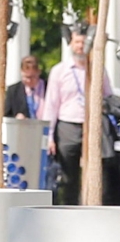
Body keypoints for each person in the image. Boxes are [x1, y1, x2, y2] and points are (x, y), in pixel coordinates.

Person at [45, 25, 112, 206]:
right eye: (76, 42)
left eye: (83, 42)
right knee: (68, 174)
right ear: (70, 44)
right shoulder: (59, 71)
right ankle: (69, 207)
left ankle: (93, 205)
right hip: (68, 125)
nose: (80, 46)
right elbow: (52, 104)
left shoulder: (98, 69)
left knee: (96, 171)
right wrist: (49, 135)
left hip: (92, 125)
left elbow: (108, 96)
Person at [5, 54, 45, 119]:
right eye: (26, 77)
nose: (29, 81)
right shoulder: (13, 91)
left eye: (32, 77)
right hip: (22, 127)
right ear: (21, 72)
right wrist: (16, 118)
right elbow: (6, 115)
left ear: (38, 72)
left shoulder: (49, 87)